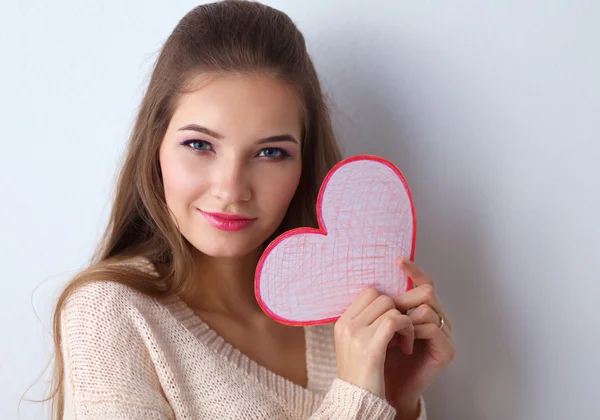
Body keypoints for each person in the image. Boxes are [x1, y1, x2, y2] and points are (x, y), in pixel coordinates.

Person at [46, 1, 455, 418]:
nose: (231, 189)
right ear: (156, 148)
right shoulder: (109, 314)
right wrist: (356, 399)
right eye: (200, 145)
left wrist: (398, 400)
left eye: (271, 152)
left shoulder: (348, 314)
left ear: (304, 163)